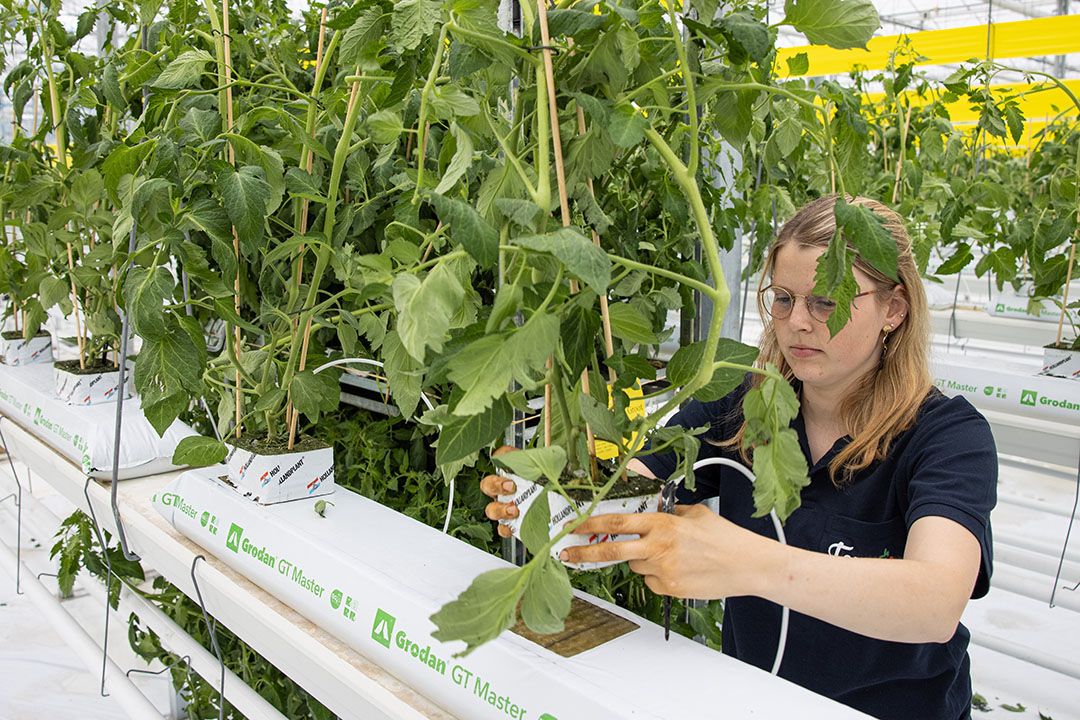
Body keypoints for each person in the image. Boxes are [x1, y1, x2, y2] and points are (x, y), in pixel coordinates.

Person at [480, 195, 997, 720]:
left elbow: (934, 602)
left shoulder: (946, 437)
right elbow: (632, 487)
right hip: (752, 699)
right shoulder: (742, 407)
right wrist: (551, 502)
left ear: (894, 309)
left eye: (826, 302)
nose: (797, 322)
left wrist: (745, 563)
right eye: (783, 299)